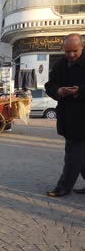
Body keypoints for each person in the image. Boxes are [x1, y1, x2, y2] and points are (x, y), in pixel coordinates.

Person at [45, 33, 85, 197]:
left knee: (73, 155)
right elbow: (49, 85)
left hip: (82, 119)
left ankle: (63, 187)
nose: (71, 55)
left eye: (74, 51)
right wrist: (58, 91)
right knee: (81, 155)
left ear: (82, 46)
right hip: (68, 117)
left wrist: (80, 91)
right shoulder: (60, 64)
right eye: (67, 51)